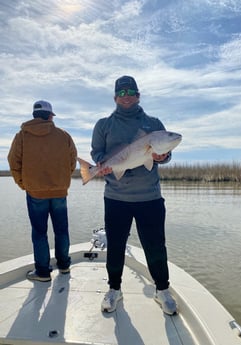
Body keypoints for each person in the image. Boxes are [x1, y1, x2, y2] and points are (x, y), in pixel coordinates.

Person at [91, 76, 177, 315]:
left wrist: (163, 157)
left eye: (131, 91)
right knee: (116, 246)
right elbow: (97, 151)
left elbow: (166, 153)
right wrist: (101, 163)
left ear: (138, 95)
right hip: (116, 198)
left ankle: (162, 290)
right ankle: (114, 290)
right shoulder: (103, 125)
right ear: (115, 97)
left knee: (156, 246)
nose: (126, 95)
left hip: (149, 197)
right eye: (122, 92)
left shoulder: (153, 123)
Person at [8, 100, 77, 282]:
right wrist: (62, 181)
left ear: (34, 115)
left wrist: (24, 184)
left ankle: (43, 272)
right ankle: (64, 266)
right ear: (49, 116)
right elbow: (72, 161)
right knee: (62, 230)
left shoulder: (22, 136)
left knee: (39, 232)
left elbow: (13, 162)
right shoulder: (64, 136)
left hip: (35, 192)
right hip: (60, 192)